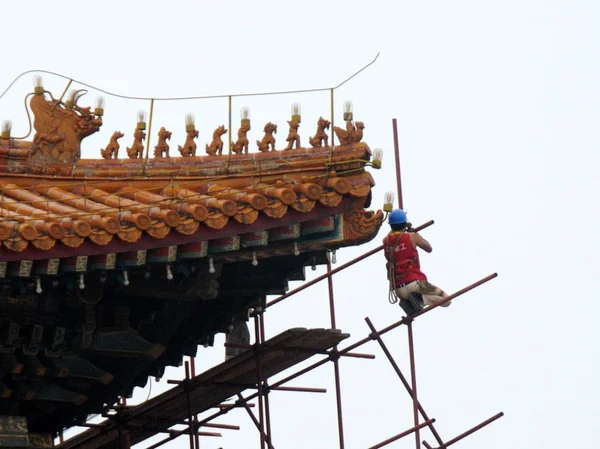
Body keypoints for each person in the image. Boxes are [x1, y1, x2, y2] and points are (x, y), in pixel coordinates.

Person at [383, 208, 451, 315]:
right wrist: (417, 236)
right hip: (416, 284)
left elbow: (392, 237)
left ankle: (411, 303)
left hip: (398, 290)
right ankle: (420, 300)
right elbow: (429, 248)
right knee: (446, 300)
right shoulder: (412, 237)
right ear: (405, 223)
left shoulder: (386, 241)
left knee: (440, 298)